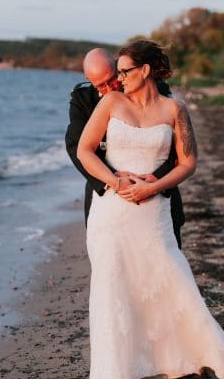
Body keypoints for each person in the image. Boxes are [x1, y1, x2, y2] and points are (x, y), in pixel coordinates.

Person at [76, 40, 224, 379]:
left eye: (124, 72)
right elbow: (83, 150)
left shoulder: (175, 110)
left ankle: (155, 367)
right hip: (111, 213)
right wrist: (116, 180)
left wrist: (154, 187)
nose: (118, 79)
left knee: (161, 285)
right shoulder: (110, 102)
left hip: (153, 215)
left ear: (145, 70)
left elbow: (188, 162)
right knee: (113, 290)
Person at [66, 48, 184, 246]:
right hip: (107, 192)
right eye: (100, 85)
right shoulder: (83, 99)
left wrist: (155, 180)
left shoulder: (155, 89)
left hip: (158, 190)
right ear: (89, 79)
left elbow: (173, 146)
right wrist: (114, 180)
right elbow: (76, 147)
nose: (109, 88)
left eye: (112, 79)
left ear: (118, 66)